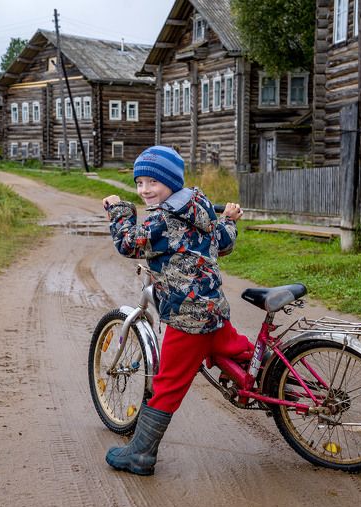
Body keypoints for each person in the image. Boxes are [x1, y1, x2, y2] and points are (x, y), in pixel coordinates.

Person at [101, 145, 253, 476]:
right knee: (238, 350)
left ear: (171, 181)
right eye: (139, 184)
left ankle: (140, 455)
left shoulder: (162, 220)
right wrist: (227, 218)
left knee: (167, 385)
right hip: (212, 308)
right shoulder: (199, 207)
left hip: (187, 316)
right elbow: (224, 242)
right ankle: (275, 378)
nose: (144, 190)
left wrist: (119, 210)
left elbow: (129, 243)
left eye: (152, 183)